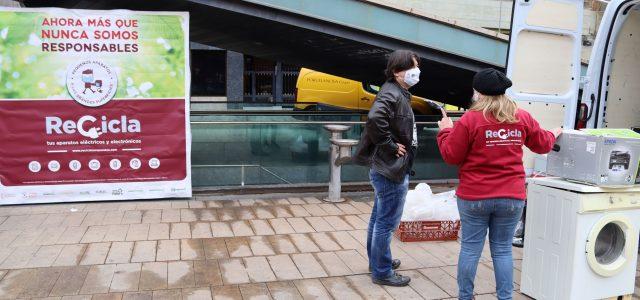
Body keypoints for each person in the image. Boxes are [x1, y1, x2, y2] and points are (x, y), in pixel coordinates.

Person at [436, 68, 562, 300]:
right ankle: (505, 297)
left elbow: (451, 156)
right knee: (503, 249)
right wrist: (554, 133)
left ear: (478, 93)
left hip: (475, 196)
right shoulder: (521, 117)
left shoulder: (469, 120)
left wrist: (445, 132)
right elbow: (543, 145)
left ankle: (466, 297)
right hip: (511, 197)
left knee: (471, 249)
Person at [354, 49, 420, 287]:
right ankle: (382, 272)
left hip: (386, 167)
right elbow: (374, 120)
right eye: (412, 67)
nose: (416, 72)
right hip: (389, 168)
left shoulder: (396, 92)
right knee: (386, 222)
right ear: (397, 72)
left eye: (416, 66)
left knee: (378, 218)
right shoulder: (392, 94)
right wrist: (390, 145)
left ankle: (378, 261)